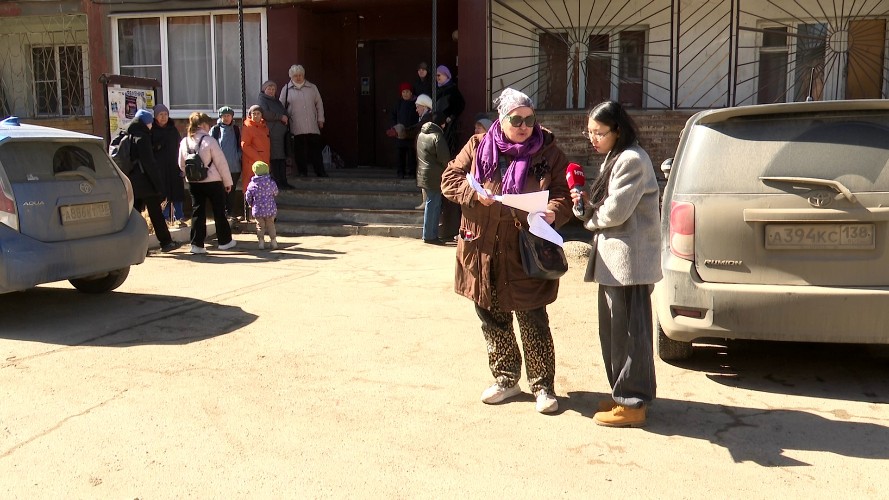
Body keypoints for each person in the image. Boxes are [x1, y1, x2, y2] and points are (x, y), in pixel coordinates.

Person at [440, 88, 572, 414]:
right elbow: (450, 178)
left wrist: (553, 211)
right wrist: (473, 195)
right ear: (502, 119)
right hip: (482, 248)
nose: (524, 125)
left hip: (526, 249)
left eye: (530, 119)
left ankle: (543, 386)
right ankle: (506, 379)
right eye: (517, 119)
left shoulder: (548, 153)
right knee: (492, 316)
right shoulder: (478, 146)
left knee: (533, 320)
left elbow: (563, 194)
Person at [571, 100, 661, 428]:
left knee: (629, 333)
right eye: (590, 132)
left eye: (599, 132)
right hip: (616, 261)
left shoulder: (633, 159)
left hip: (629, 263)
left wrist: (590, 219)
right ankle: (623, 393)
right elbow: (603, 205)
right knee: (614, 331)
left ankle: (632, 402)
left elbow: (615, 212)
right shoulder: (617, 157)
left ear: (618, 130)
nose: (593, 138)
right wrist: (584, 207)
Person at [178, 112, 237, 254]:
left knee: (197, 212)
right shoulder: (209, 141)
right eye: (208, 124)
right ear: (203, 125)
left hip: (193, 182)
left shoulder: (184, 141)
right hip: (213, 181)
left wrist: (190, 175)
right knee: (219, 211)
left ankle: (197, 245)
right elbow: (221, 163)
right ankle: (224, 241)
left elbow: (181, 164)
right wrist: (228, 182)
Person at [127, 109, 180, 253]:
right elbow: (149, 164)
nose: (151, 126)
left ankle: (135, 248)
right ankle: (166, 242)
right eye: (150, 122)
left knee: (134, 216)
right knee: (156, 213)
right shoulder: (142, 137)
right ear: (146, 122)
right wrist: (159, 186)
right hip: (146, 183)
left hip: (133, 182)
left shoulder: (129, 134)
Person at [434, 65, 466, 240]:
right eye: (436, 75)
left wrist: (450, 118)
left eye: (439, 75)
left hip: (449, 129)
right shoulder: (438, 91)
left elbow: (459, 105)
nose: (437, 78)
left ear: (446, 75)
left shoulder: (452, 90)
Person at [280, 65, 327, 178]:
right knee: (299, 151)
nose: (298, 77)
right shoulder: (286, 89)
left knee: (315, 150)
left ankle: (320, 171)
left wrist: (321, 119)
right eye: (295, 76)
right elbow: (281, 106)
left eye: (300, 75)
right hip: (296, 124)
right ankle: (302, 172)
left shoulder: (312, 87)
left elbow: (319, 104)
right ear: (291, 76)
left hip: (312, 124)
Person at [415, 109, 450, 245]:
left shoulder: (421, 135)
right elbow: (444, 158)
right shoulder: (437, 137)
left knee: (431, 203)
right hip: (435, 175)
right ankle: (430, 235)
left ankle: (429, 234)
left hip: (423, 174)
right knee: (433, 204)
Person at [151, 104, 186, 228]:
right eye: (160, 115)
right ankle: (165, 218)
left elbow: (180, 147)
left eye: (165, 114)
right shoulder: (152, 130)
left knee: (177, 192)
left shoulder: (172, 129)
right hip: (160, 168)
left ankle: (179, 217)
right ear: (155, 117)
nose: (163, 117)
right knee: (163, 193)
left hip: (174, 166)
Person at [257, 80, 293, 189]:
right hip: (272, 134)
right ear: (264, 89)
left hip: (281, 135)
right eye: (269, 89)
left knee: (281, 158)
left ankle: (284, 181)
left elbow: (284, 111)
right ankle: (277, 182)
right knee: (275, 158)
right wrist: (280, 117)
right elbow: (265, 114)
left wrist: (286, 116)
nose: (271, 91)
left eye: (273, 89)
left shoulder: (276, 101)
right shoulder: (262, 99)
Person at [210, 106, 242, 222]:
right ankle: (221, 213)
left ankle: (230, 212)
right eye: (224, 116)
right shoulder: (215, 130)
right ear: (220, 117)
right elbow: (211, 146)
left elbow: (240, 145)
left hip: (234, 166)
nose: (226, 118)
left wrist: (238, 156)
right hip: (220, 166)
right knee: (221, 191)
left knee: (231, 191)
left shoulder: (236, 129)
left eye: (228, 115)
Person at [244, 161, 279, 250]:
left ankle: (261, 243)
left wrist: (250, 204)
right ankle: (274, 242)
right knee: (271, 225)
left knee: (260, 226)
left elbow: (248, 196)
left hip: (258, 210)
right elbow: (276, 192)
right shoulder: (270, 182)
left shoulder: (252, 184)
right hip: (270, 209)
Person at [389, 82, 417, 179]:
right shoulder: (398, 103)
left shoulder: (416, 103)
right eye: (403, 92)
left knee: (412, 153)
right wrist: (394, 126)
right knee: (400, 153)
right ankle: (400, 172)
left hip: (411, 132)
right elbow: (393, 115)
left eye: (407, 92)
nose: (405, 94)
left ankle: (412, 172)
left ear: (411, 93)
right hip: (400, 133)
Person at [241, 104, 271, 194]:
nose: (256, 116)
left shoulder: (264, 127)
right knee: (251, 187)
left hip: (263, 162)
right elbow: (245, 145)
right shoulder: (247, 127)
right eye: (254, 113)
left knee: (262, 188)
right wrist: (258, 159)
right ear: (250, 115)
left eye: (258, 113)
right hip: (253, 163)